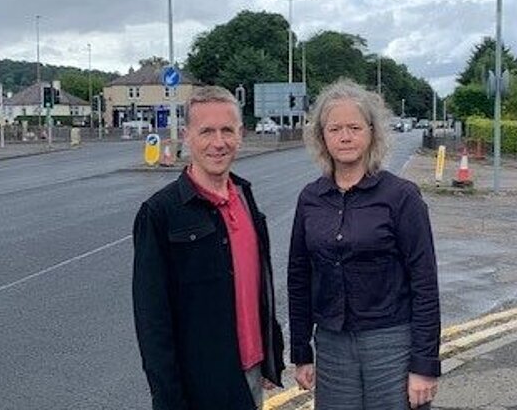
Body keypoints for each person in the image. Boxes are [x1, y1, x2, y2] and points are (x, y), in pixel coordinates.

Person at [288, 79, 441, 410]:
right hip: (331, 345)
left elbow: (425, 283)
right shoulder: (310, 199)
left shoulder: (401, 197)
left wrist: (424, 365)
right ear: (322, 137)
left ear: (372, 133)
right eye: (335, 129)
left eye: (355, 127)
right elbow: (299, 277)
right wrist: (301, 352)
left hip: (392, 344)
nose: (345, 137)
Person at [132, 86, 285, 410]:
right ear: (187, 136)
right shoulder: (160, 213)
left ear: (240, 135)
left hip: (250, 372)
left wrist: (271, 357)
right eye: (206, 132)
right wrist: (169, 400)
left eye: (227, 130)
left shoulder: (245, 197)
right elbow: (152, 322)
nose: (219, 142)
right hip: (198, 383)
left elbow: (261, 286)